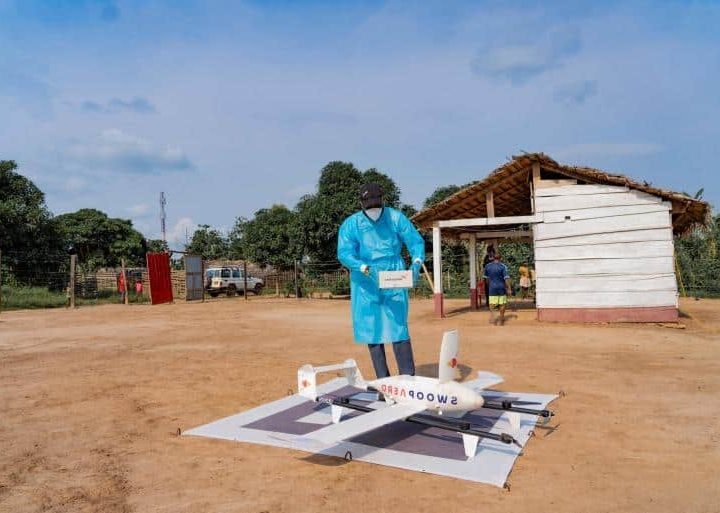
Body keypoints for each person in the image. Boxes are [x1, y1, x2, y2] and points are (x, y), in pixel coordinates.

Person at [337, 183, 425, 379]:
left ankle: (407, 377)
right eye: (370, 205)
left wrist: (417, 262)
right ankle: (383, 381)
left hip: (394, 273)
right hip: (366, 279)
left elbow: (414, 240)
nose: (374, 209)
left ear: (382, 200)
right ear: (362, 204)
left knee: (398, 324)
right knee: (372, 328)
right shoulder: (352, 224)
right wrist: (362, 267)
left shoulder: (395, 217)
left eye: (376, 204)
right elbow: (344, 252)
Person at [483, 253, 512, 325]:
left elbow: (486, 279)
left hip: (492, 287)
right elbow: (506, 278)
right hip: (501, 287)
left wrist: (489, 286)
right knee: (502, 303)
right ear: (500, 258)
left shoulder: (487, 266)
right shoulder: (503, 266)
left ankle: (494, 316)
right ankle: (501, 319)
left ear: (493, 258)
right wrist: (509, 288)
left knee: (492, 304)